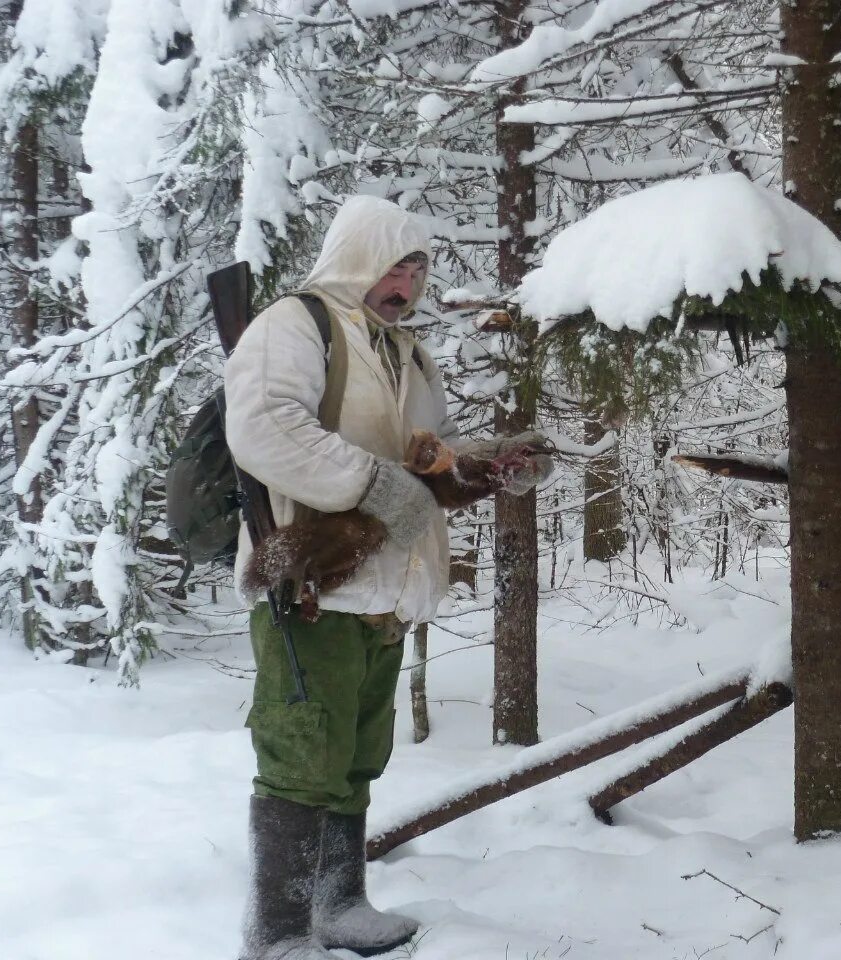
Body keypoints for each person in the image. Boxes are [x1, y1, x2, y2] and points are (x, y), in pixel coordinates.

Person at [224, 195, 550, 960]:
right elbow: (266, 423)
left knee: (357, 758)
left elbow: (419, 462)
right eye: (393, 262)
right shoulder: (297, 325)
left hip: (384, 592)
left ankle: (338, 906)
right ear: (354, 256)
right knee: (303, 760)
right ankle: (275, 936)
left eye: (417, 266)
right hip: (313, 590)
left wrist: (482, 464)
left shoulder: (403, 350)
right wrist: (373, 485)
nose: (406, 279)